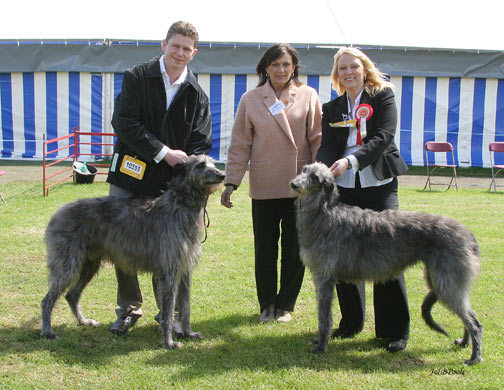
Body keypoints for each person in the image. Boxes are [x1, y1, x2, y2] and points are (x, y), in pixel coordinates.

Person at [106, 21, 212, 335]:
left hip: (170, 188)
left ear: (194, 53)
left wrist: (190, 170)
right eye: (175, 46)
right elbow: (124, 122)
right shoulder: (137, 77)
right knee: (123, 245)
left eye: (186, 49)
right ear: (163, 44)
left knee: (171, 251)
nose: (180, 53)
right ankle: (128, 309)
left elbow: (200, 143)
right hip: (129, 176)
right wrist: (164, 152)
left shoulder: (196, 94)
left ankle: (171, 316)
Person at [316, 47, 410, 352]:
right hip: (343, 187)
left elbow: (383, 137)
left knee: (387, 253)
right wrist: (323, 169)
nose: (348, 72)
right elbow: (328, 146)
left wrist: (351, 161)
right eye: (342, 68)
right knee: (343, 255)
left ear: (364, 68)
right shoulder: (331, 108)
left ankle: (393, 330)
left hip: (379, 183)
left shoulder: (383, 96)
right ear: (337, 74)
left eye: (353, 66)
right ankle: (350, 323)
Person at [221, 44, 322, 323]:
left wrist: (317, 181)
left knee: (295, 249)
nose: (281, 70)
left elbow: (317, 140)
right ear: (265, 67)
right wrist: (231, 182)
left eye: (286, 64)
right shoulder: (251, 99)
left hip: (300, 187)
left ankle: (285, 305)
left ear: (294, 67)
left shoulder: (308, 95)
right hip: (264, 184)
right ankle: (267, 304)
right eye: (275, 64)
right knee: (265, 248)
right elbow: (240, 144)